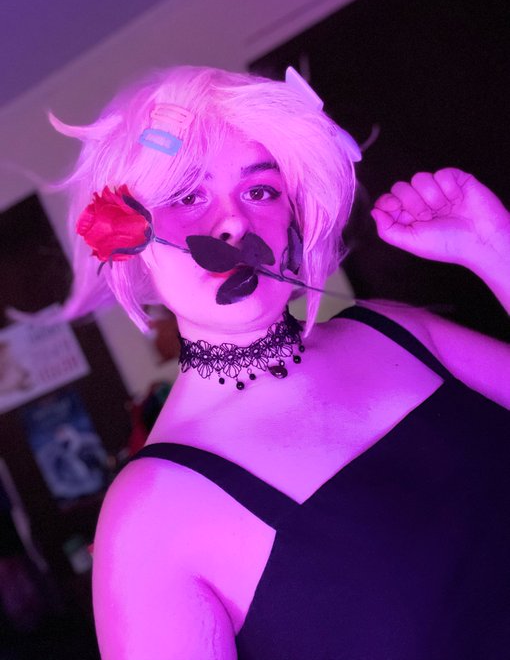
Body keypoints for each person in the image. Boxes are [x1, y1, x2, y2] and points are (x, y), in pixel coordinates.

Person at [54, 65, 509, 659]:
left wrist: (495, 249)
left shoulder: (397, 331)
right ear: (132, 245)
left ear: (293, 218)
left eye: (261, 191)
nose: (234, 221)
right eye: (187, 196)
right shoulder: (150, 513)